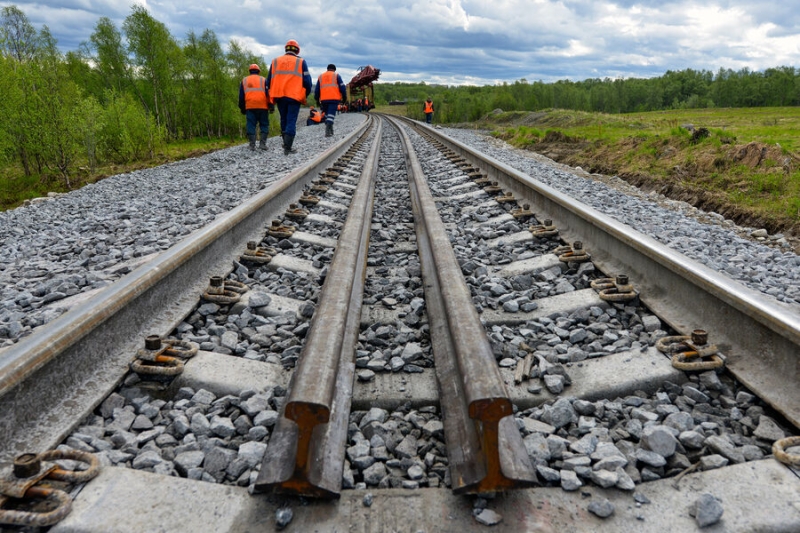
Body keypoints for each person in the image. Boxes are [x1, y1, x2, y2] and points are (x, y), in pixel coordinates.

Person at [267, 39, 312, 155]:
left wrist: (270, 98)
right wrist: (305, 94)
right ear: (297, 50)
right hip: (294, 96)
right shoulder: (301, 62)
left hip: (279, 95)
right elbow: (307, 82)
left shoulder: (275, 61)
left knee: (284, 119)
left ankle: (285, 142)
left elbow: (268, 81)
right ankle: (288, 147)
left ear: (286, 49)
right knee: (291, 120)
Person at [238, 63, 271, 151]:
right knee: (264, 124)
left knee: (251, 125)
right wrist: (271, 105)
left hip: (250, 107)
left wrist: (242, 108)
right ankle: (262, 144)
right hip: (263, 107)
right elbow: (268, 94)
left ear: (249, 71)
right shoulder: (263, 80)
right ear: (258, 71)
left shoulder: (244, 80)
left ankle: (252, 145)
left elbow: (241, 97)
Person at [314, 63, 347, 137]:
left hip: (324, 99)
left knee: (326, 115)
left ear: (327, 69)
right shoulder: (336, 75)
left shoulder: (321, 76)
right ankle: (328, 131)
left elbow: (317, 90)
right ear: (334, 69)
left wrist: (317, 100)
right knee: (331, 115)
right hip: (334, 98)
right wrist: (344, 97)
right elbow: (342, 87)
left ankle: (330, 129)